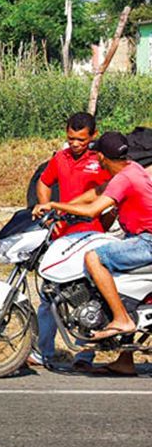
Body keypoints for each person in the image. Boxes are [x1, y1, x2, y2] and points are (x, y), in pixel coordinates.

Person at [35, 132, 152, 371]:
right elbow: (97, 192)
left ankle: (121, 320)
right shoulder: (131, 169)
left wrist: (54, 204)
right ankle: (125, 361)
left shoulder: (124, 178)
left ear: (101, 156)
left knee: (94, 257)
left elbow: (93, 211)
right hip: (139, 238)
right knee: (118, 288)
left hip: (146, 242)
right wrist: (65, 209)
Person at [30, 112, 107, 371]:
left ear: (92, 136)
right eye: (71, 138)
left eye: (81, 140)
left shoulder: (100, 160)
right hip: (60, 236)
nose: (75, 144)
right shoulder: (59, 158)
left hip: (89, 234)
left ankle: (84, 356)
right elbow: (44, 181)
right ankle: (43, 352)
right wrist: (45, 205)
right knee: (49, 296)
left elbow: (106, 195)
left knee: (87, 296)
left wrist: (101, 227)